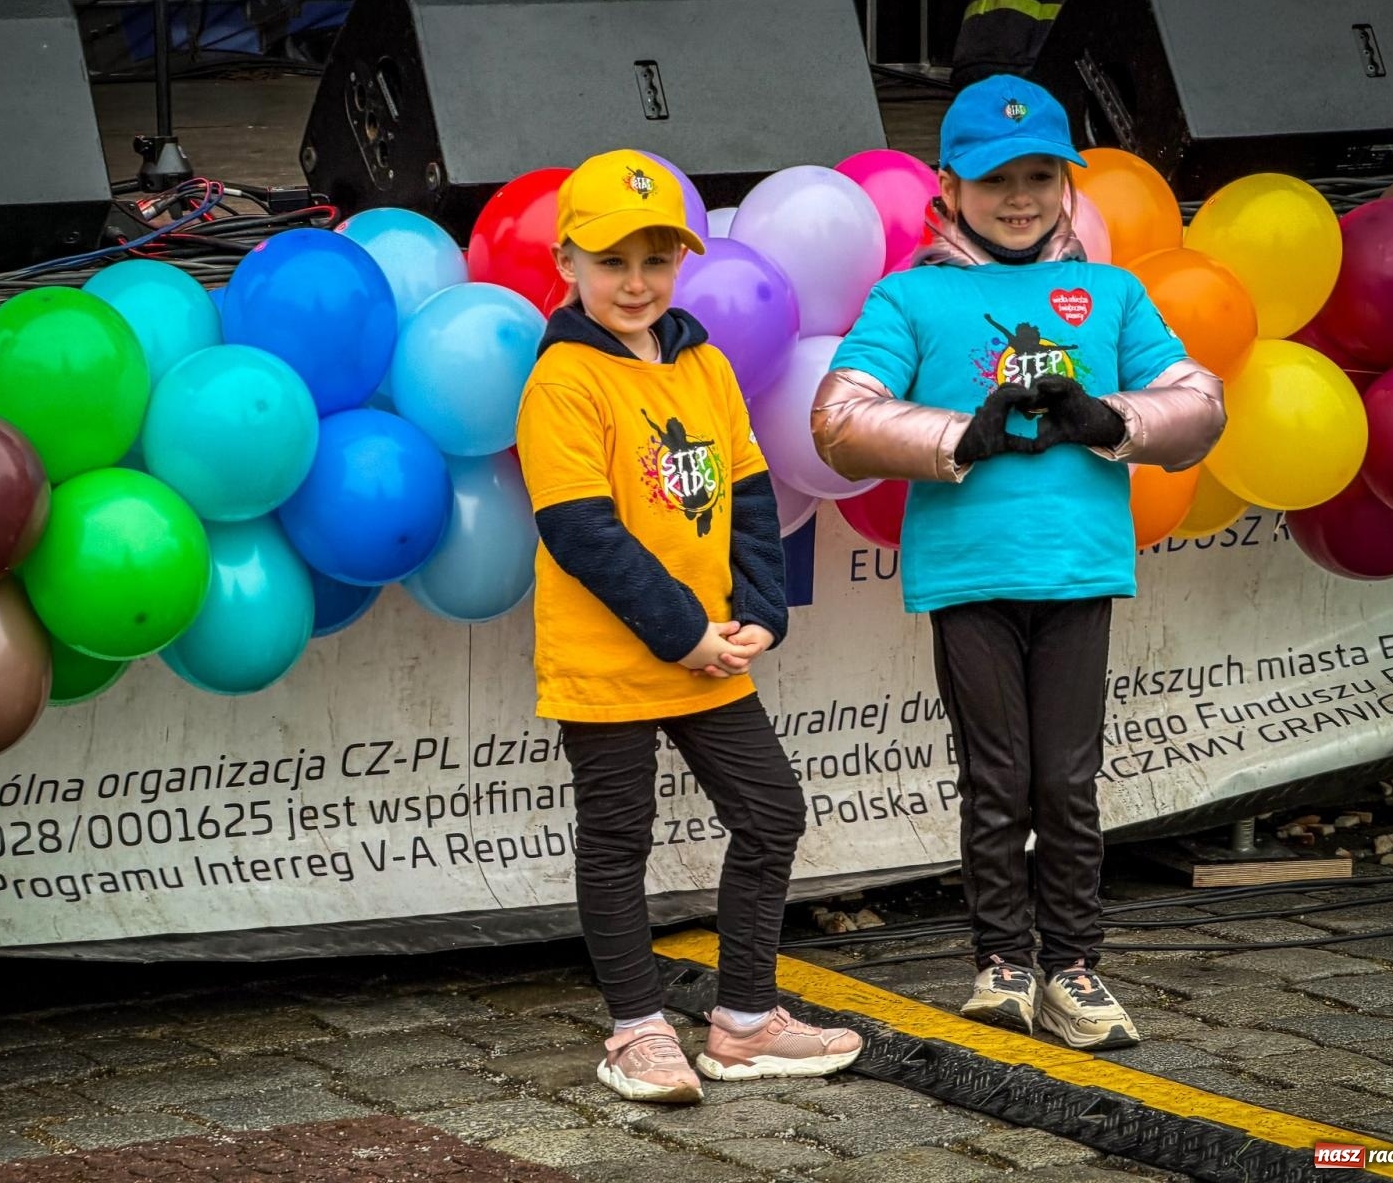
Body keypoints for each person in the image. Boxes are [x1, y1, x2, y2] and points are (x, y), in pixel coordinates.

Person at [811, 76, 1224, 1050]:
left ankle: (1073, 970)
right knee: (997, 777)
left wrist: (1114, 417)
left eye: (1040, 174)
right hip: (968, 577)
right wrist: (966, 433)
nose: (1019, 195)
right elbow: (835, 418)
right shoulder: (908, 296)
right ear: (949, 187)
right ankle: (1002, 964)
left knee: (1066, 780)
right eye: (994, 177)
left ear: (1065, 185)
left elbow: (1199, 404)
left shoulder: (1114, 293)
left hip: (1078, 572)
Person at [515, 149, 863, 1102]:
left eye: (656, 260)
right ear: (567, 265)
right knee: (619, 837)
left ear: (683, 264)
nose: (635, 283)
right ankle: (636, 1030)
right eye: (612, 261)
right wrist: (684, 633)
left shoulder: (704, 363)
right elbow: (582, 532)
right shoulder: (563, 382)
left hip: (709, 651)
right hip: (614, 659)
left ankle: (745, 1022)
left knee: (770, 812)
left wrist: (756, 614)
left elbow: (752, 494)